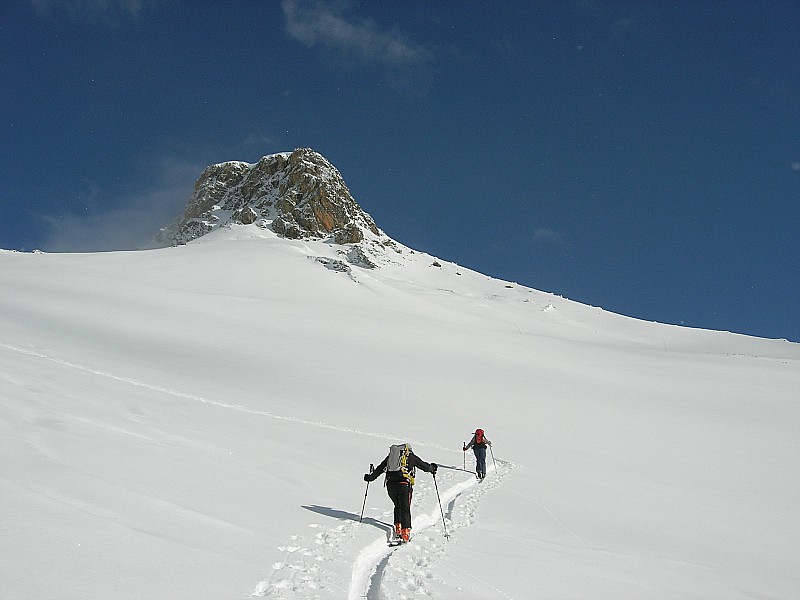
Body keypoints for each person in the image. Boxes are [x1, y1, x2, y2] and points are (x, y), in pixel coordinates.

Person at [364, 443, 437, 543]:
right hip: (404, 485)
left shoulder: (391, 457)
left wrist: (369, 478)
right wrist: (433, 468)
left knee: (397, 505)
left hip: (390, 485)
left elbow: (379, 469)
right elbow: (424, 466)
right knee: (405, 507)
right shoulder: (410, 456)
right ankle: (405, 532)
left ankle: (398, 528)